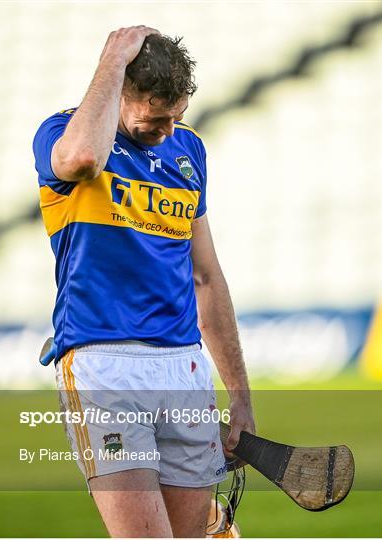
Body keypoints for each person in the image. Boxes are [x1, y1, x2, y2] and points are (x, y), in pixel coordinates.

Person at [33, 26, 255, 538]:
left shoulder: (189, 152)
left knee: (191, 535)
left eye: (177, 117)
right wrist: (114, 58)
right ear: (121, 93)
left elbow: (205, 276)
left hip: (184, 366)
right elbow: (81, 160)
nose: (168, 130)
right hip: (103, 367)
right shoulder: (62, 135)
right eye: (156, 118)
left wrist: (240, 394)